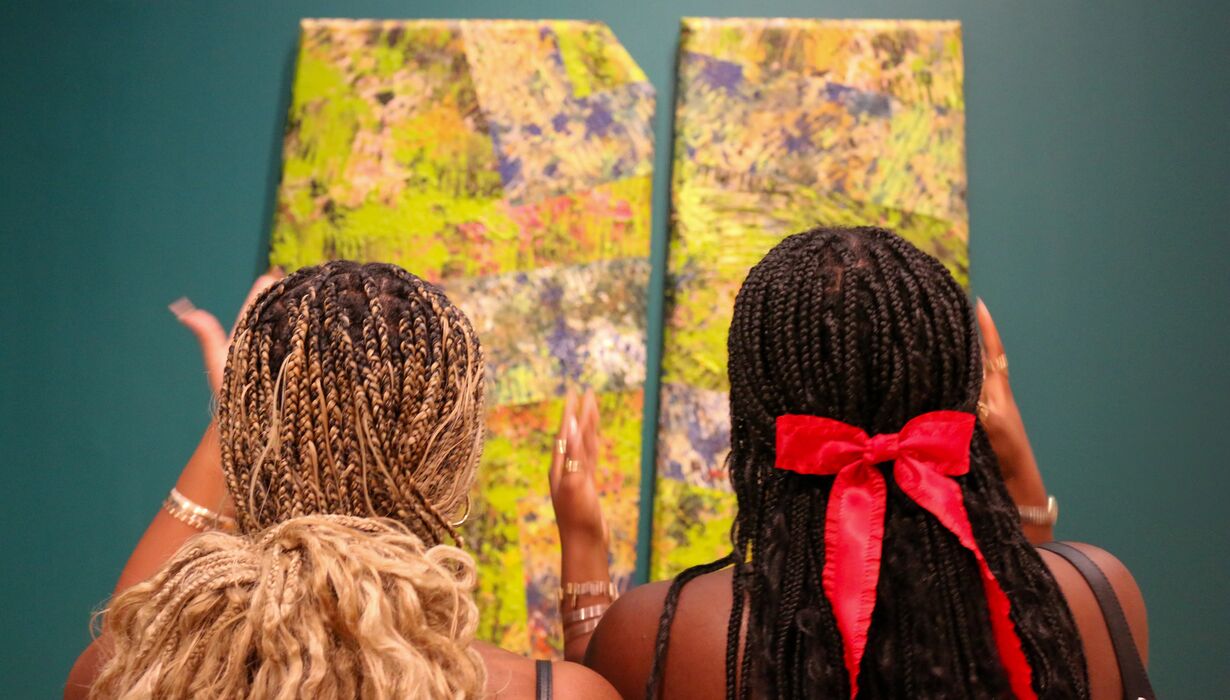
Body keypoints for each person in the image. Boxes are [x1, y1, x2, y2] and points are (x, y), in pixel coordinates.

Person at [584, 227, 1148, 699]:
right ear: (960, 390)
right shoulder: (1100, 594)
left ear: (752, 411)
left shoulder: (666, 632)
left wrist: (582, 552)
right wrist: (1021, 483)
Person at [66, 261, 618, 699]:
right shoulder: (552, 692)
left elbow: (128, 631)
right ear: (453, 461)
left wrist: (239, 419)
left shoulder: (134, 672)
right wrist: (585, 544)